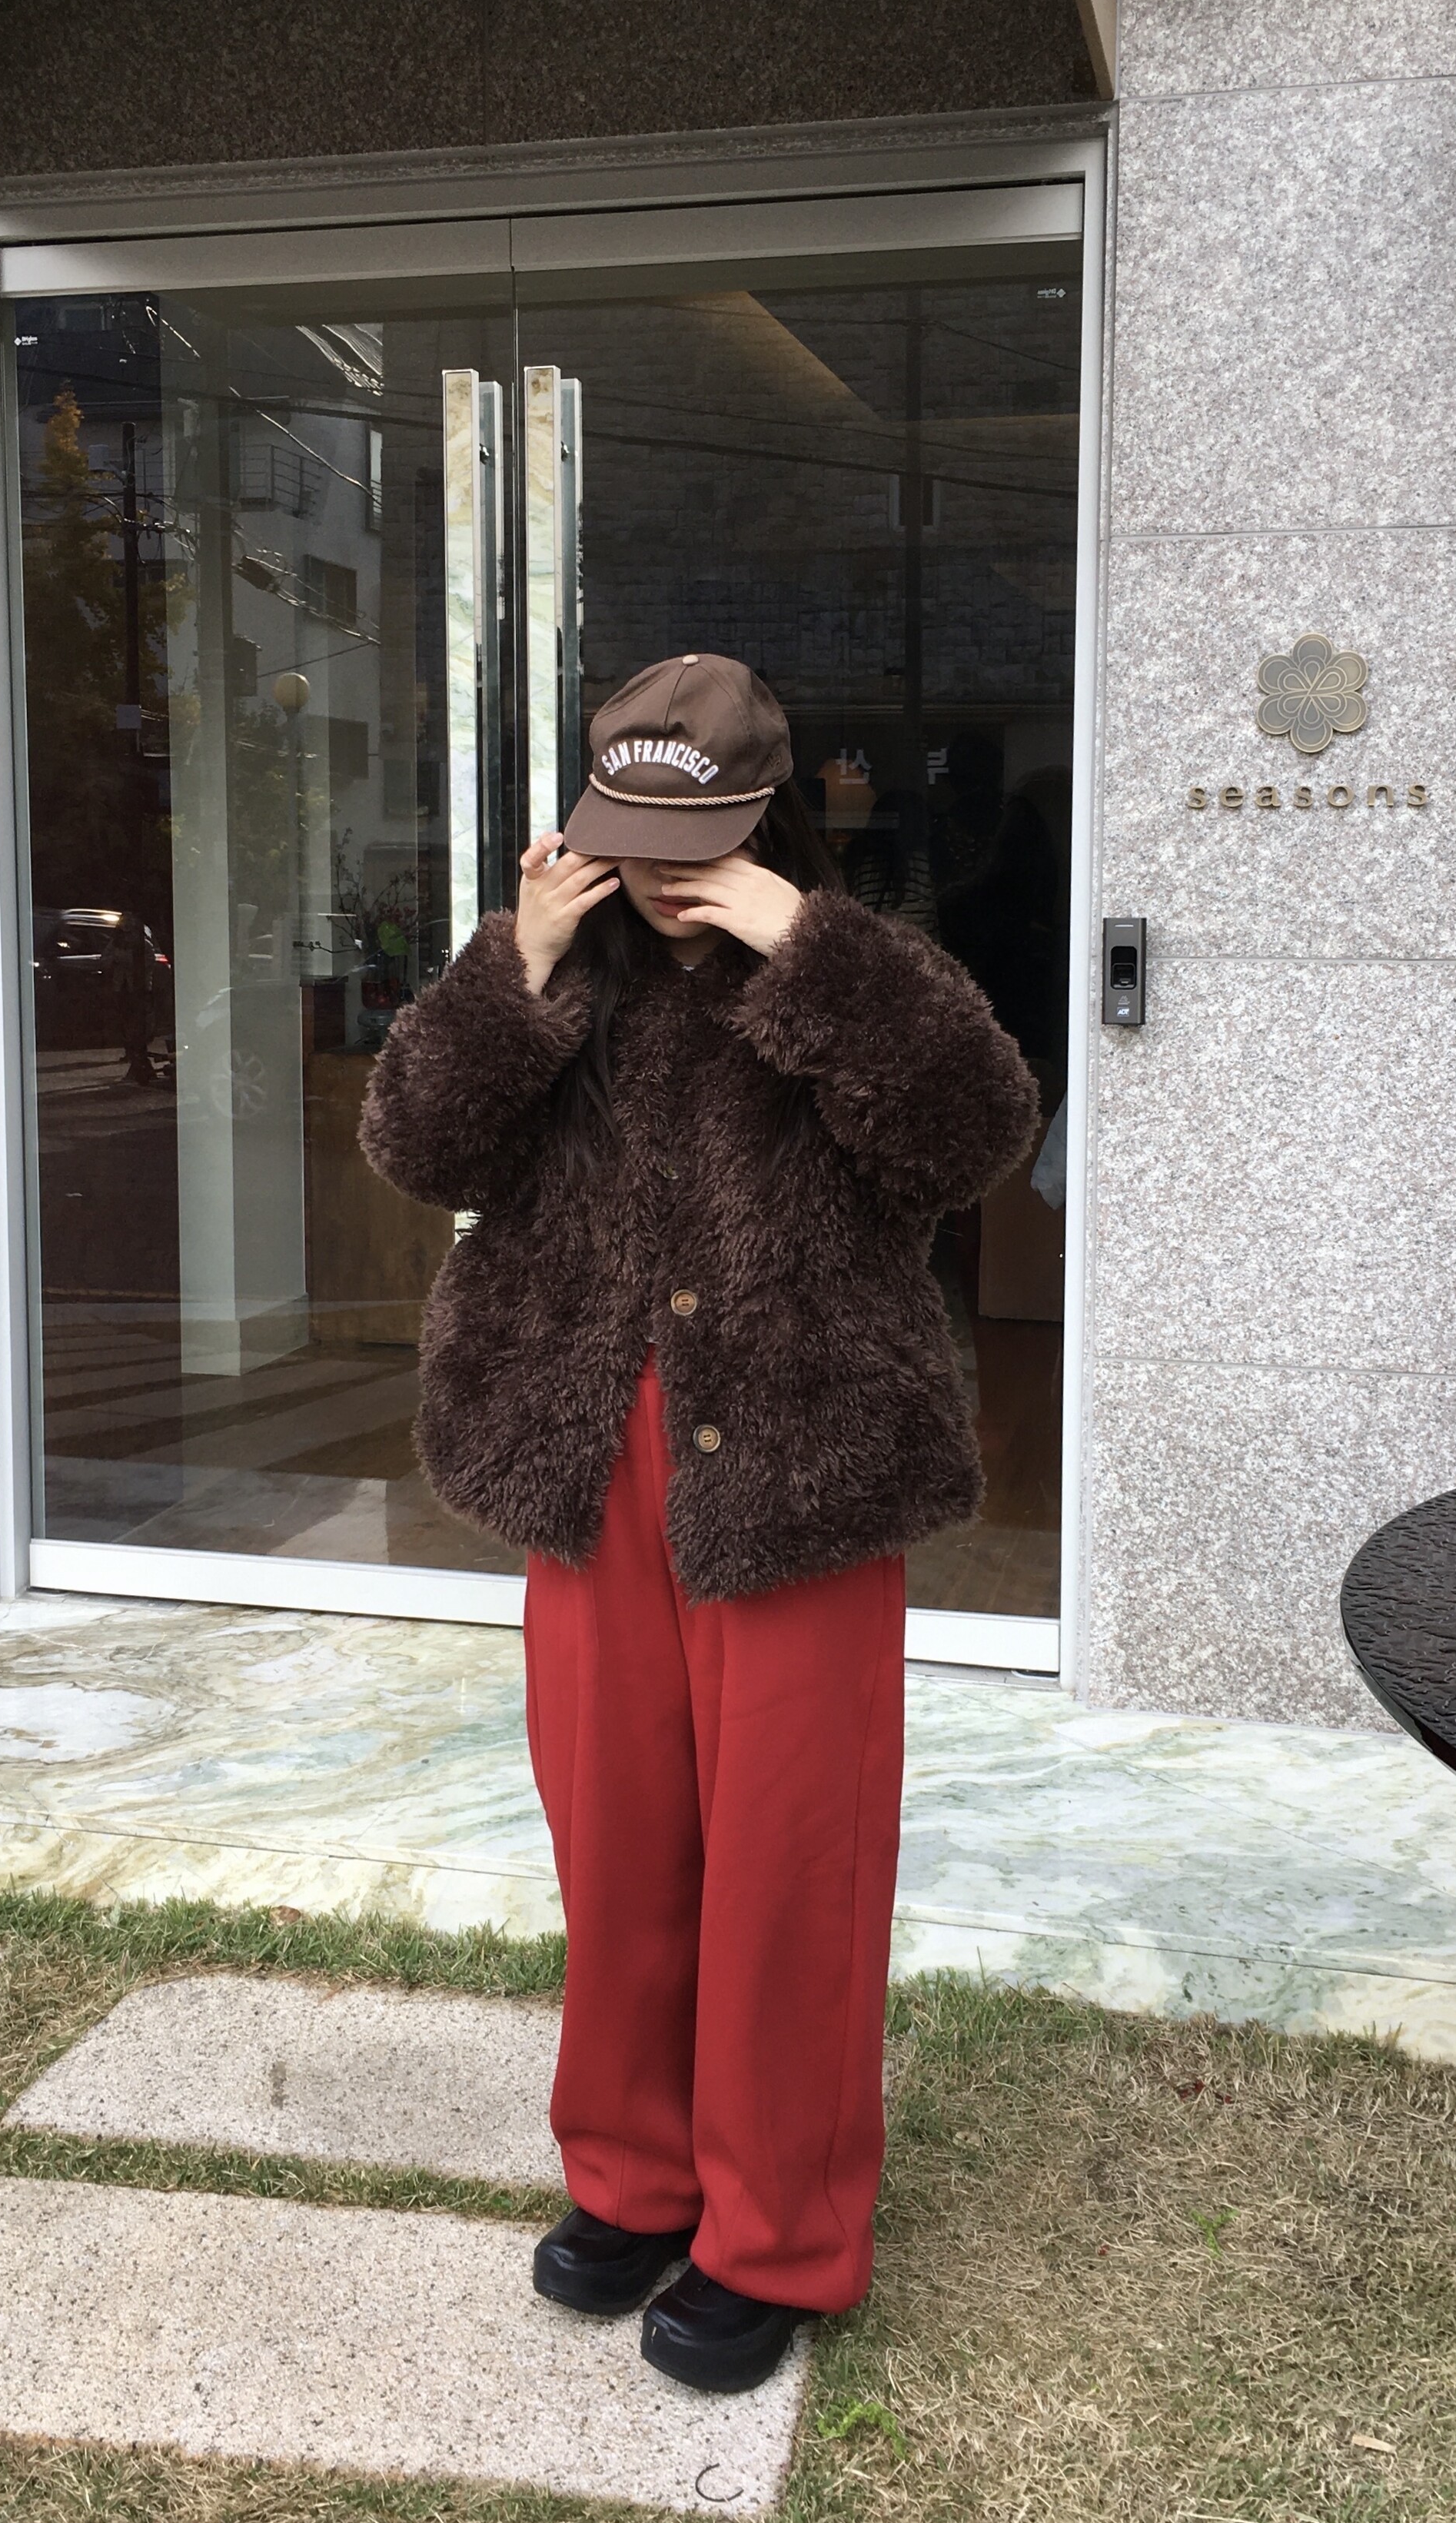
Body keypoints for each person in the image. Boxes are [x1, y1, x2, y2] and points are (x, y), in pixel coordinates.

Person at [360, 653, 1035, 2394]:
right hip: (590, 1464)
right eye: (634, 835)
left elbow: (977, 1131)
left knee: (791, 1864)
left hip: (800, 1472)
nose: (662, 874)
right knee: (619, 1842)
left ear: (763, 814)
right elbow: (416, 1147)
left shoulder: (842, 960)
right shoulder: (553, 968)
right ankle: (632, 2174)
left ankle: (776, 2231)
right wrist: (510, 969)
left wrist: (811, 948)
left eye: (699, 836)